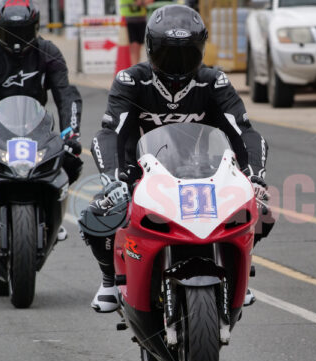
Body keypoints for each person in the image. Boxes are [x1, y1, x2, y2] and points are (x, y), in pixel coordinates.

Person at [80, 4, 273, 313]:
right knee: (98, 213)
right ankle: (108, 280)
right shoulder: (131, 80)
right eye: (169, 52)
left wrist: (254, 176)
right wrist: (113, 178)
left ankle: (240, 274)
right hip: (139, 171)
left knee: (262, 211)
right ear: (150, 47)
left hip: (202, 170)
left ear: (200, 48)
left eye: (185, 52)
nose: (177, 61)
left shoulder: (213, 81)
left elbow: (245, 132)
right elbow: (110, 133)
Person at [0, 0, 83, 246]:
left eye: (23, 31)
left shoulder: (49, 52)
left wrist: (71, 133)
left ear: (35, 28)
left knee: (71, 157)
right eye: (9, 32)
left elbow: (66, 95)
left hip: (35, 125)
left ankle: (52, 217)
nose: (16, 39)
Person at [119, 0, 153, 66]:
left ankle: (136, 66)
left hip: (141, 20)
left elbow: (150, 1)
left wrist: (142, 2)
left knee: (139, 46)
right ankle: (135, 67)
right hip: (128, 20)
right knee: (134, 45)